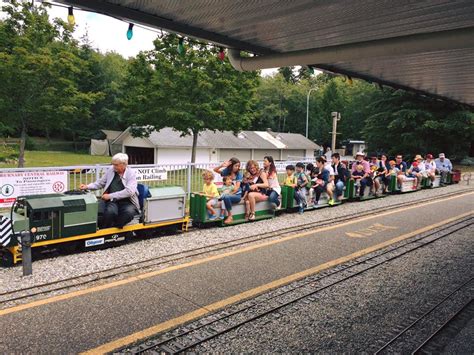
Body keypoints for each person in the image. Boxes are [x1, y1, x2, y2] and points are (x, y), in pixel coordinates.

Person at [80, 153, 139, 228]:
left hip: (127, 202)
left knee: (128, 213)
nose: (114, 167)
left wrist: (110, 195)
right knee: (110, 212)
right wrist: (87, 186)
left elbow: (129, 191)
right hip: (112, 201)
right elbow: (101, 183)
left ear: (124, 164)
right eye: (113, 164)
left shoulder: (131, 174)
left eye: (116, 165)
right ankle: (105, 230)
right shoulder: (111, 170)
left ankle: (115, 229)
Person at [213, 157, 243, 224]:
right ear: (231, 165)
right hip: (227, 194)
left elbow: (236, 188)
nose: (237, 167)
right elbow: (215, 170)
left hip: (236, 195)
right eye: (236, 166)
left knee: (225, 197)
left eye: (238, 166)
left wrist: (228, 194)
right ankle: (217, 215)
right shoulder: (226, 172)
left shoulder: (239, 175)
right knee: (220, 196)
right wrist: (221, 165)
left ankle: (230, 216)